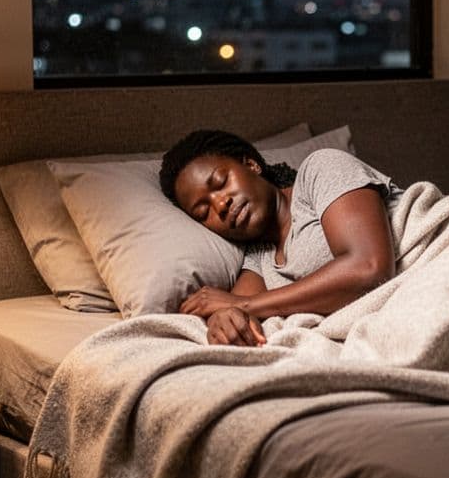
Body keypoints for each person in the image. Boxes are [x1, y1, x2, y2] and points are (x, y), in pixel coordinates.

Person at [159, 130, 404, 347]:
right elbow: (234, 309)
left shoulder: (320, 170)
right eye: (203, 212)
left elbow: (369, 267)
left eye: (221, 182)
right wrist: (222, 319)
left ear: (251, 165)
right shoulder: (258, 259)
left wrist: (245, 305)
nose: (221, 204)